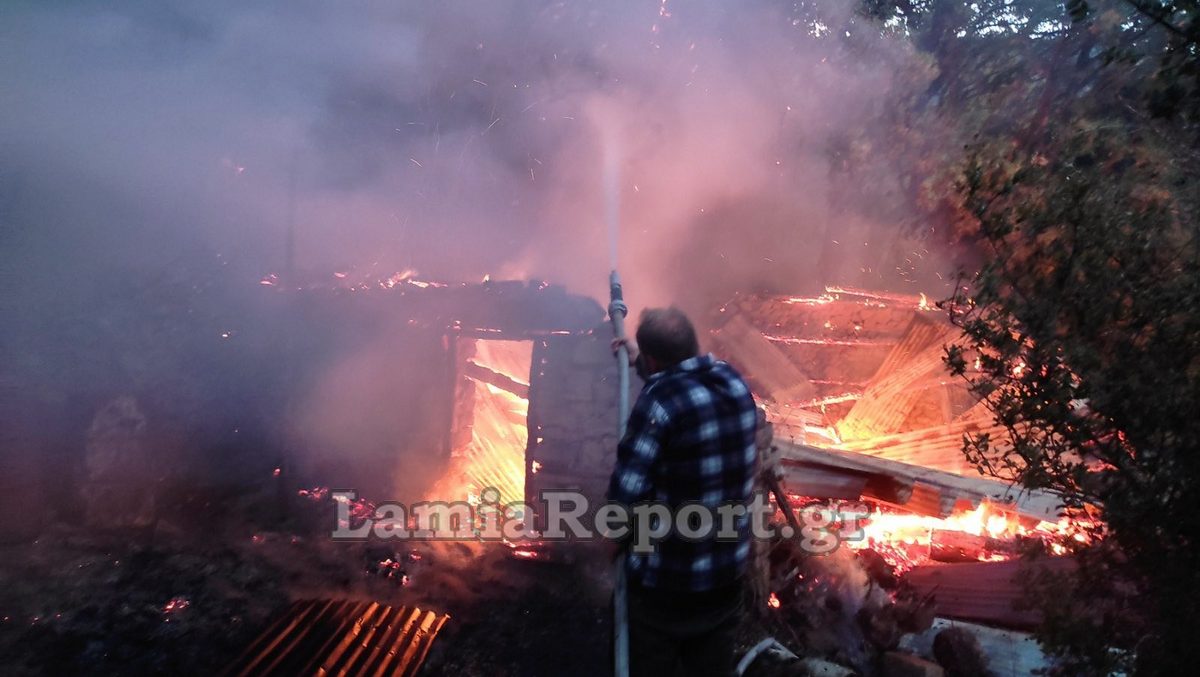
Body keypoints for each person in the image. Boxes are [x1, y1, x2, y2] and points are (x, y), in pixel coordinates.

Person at [608, 306, 759, 677]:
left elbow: (623, 500)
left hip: (667, 585)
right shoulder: (735, 383)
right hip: (725, 577)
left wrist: (614, 544)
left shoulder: (658, 402)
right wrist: (638, 361)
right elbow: (682, 388)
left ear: (654, 358)